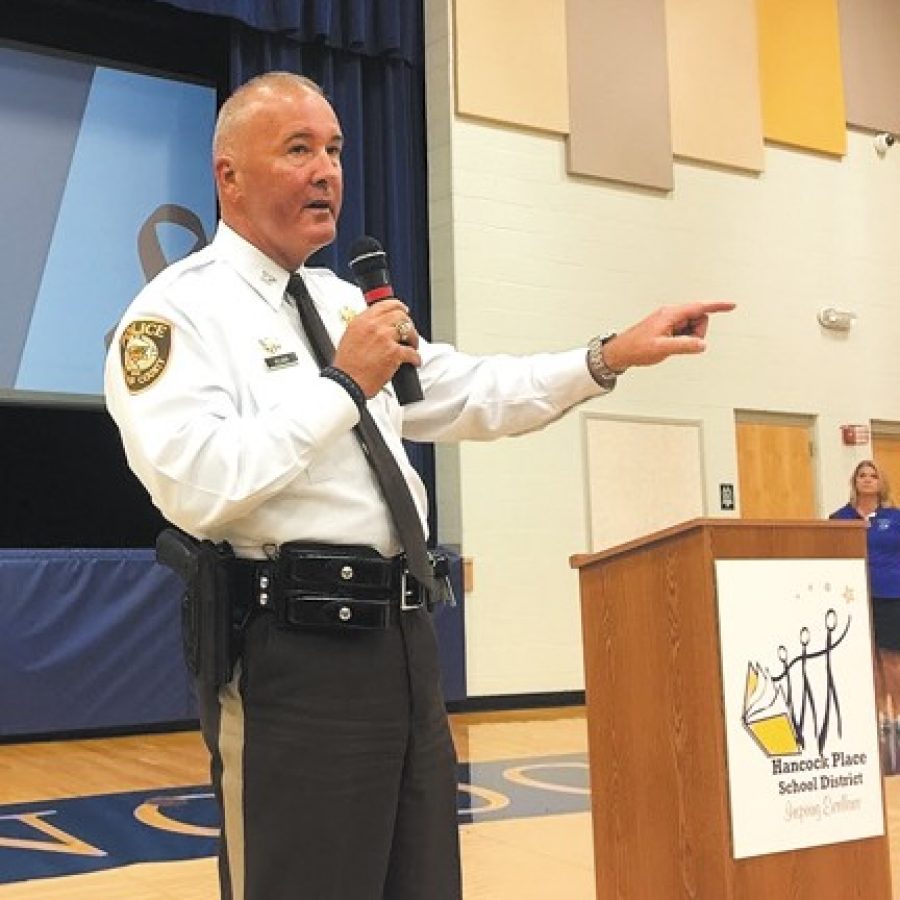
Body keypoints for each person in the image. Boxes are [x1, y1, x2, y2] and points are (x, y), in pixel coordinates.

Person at [104, 71, 734, 900]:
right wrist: (340, 385)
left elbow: (471, 391)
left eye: (334, 149)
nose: (327, 170)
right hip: (291, 654)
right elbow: (198, 485)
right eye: (298, 150)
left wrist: (607, 354)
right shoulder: (177, 314)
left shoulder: (340, 302)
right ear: (228, 175)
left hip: (404, 644)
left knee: (422, 883)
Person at [830, 460, 900, 719]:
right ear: (855, 481)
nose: (868, 480)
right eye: (862, 475)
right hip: (854, 596)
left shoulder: (895, 517)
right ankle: (879, 714)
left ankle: (897, 715)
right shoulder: (840, 518)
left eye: (873, 476)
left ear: (881, 483)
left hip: (890, 594)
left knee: (890, 657)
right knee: (867, 657)